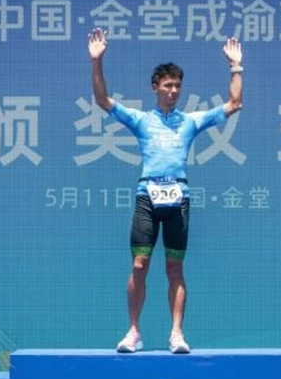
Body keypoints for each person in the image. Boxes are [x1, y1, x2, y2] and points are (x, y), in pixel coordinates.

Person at [88, 28, 243, 354]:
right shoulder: (142, 120)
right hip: (147, 197)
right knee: (139, 265)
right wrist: (97, 61)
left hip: (178, 200)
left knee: (174, 268)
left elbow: (234, 103)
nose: (173, 91)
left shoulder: (190, 121)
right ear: (155, 87)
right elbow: (102, 100)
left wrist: (235, 66)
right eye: (168, 85)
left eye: (177, 86)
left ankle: (176, 334)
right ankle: (134, 331)